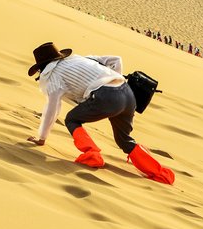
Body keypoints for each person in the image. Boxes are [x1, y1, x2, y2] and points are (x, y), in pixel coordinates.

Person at [25, 42, 174, 184]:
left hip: (107, 98)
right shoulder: (80, 59)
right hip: (128, 94)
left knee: (72, 119)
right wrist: (114, 81)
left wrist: (42, 138)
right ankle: (161, 173)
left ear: (42, 67)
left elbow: (52, 107)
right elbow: (116, 60)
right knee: (124, 140)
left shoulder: (53, 77)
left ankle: (92, 154)